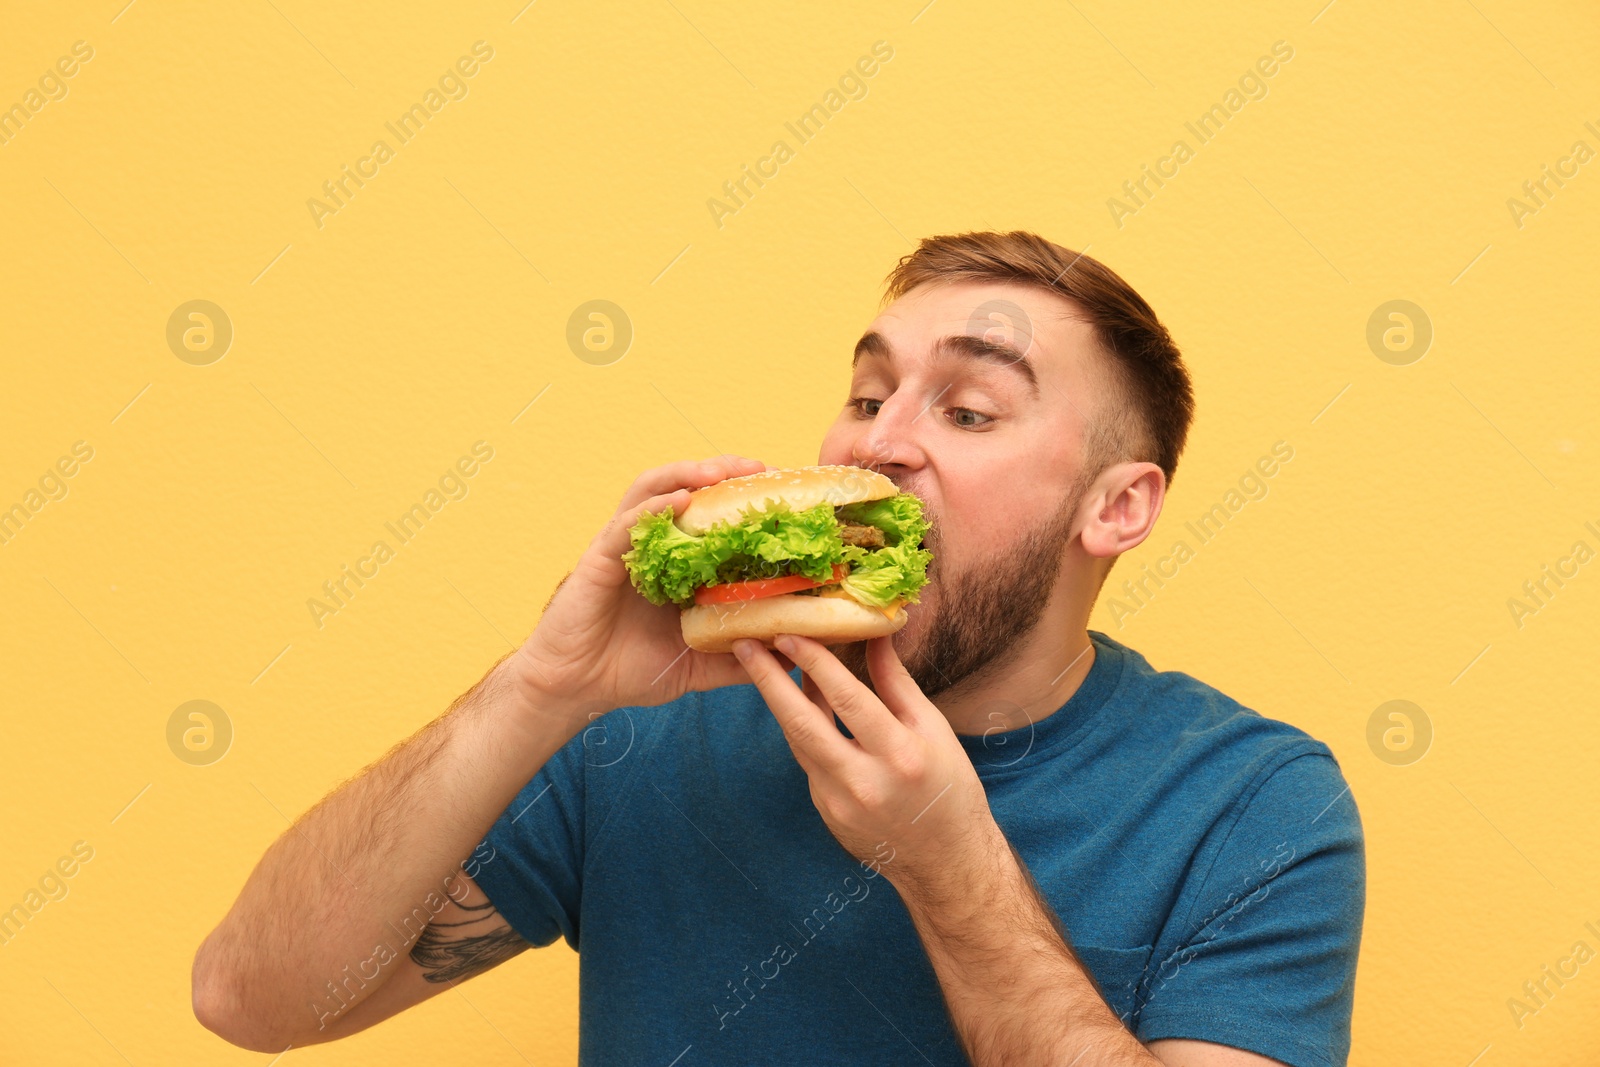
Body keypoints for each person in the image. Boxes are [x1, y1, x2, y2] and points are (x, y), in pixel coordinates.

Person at [193, 231, 1363, 1066]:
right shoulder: (639, 730)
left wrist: (950, 870)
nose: (883, 443)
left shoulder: (1256, 801)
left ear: (1115, 507)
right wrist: (536, 688)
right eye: (866, 395)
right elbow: (251, 1000)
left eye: (966, 411)